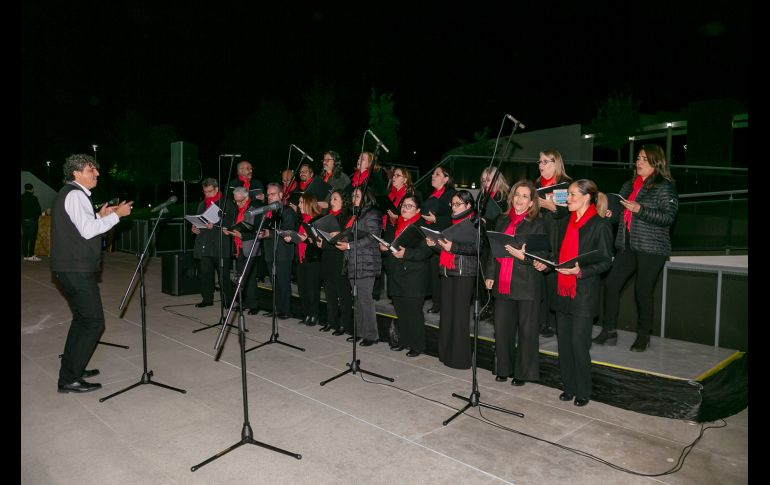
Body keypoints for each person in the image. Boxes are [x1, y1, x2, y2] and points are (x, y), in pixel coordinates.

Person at [50, 154, 133, 393]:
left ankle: (73, 369)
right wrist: (118, 215)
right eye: (90, 169)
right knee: (94, 322)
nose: (96, 173)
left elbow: (80, 225)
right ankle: (69, 379)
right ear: (76, 173)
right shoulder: (75, 194)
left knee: (82, 320)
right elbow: (87, 232)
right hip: (75, 269)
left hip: (69, 268)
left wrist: (100, 216)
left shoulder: (71, 194)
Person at [533, 179, 613, 407]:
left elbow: (606, 261)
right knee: (564, 344)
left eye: (572, 195)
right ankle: (568, 387)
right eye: (568, 195)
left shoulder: (600, 224)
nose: (567, 199)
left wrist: (582, 271)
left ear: (587, 197)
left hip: (583, 292)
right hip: (562, 290)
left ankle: (583, 390)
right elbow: (559, 256)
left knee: (579, 344)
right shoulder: (565, 222)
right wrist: (547, 265)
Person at [593, 144, 679, 352]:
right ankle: (609, 330)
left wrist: (641, 209)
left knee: (643, 291)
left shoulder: (664, 186)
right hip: (628, 245)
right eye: (638, 158)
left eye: (644, 159)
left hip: (652, 248)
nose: (639, 162)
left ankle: (643, 335)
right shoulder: (629, 185)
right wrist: (611, 215)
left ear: (655, 163)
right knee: (611, 284)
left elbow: (668, 217)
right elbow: (622, 212)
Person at [485, 180, 546, 386]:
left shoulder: (538, 223)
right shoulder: (502, 221)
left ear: (531, 203)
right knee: (502, 329)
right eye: (516, 194)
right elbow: (494, 251)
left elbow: (543, 256)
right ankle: (503, 368)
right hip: (503, 282)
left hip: (527, 284)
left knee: (527, 332)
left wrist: (524, 257)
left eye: (524, 196)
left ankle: (522, 373)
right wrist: (490, 274)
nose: (519, 199)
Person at [426, 189, 477, 369]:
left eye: (458, 204)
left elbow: (477, 248)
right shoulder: (451, 222)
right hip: (447, 271)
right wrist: (435, 244)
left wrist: (453, 246)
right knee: (447, 314)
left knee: (460, 316)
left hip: (464, 273)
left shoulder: (475, 223)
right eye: (452, 204)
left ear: (469, 205)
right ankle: (446, 354)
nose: (454, 208)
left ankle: (460, 359)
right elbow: (446, 249)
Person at [379, 195, 432, 357]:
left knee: (413, 312)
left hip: (414, 276)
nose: (404, 208)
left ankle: (417, 345)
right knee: (401, 311)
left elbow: (426, 251)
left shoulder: (422, 227)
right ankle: (404, 341)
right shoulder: (395, 225)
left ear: (417, 210)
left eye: (409, 206)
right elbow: (388, 244)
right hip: (397, 274)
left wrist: (406, 253)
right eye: (403, 205)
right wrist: (383, 247)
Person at [336, 187, 382, 346]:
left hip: (367, 261)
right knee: (356, 298)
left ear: (366, 197)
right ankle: (360, 332)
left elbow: (373, 238)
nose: (353, 198)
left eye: (357, 195)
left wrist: (349, 246)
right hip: (354, 260)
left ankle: (371, 335)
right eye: (353, 195)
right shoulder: (356, 214)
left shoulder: (372, 213)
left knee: (365, 299)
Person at [535, 149, 572, 338]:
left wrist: (549, 206)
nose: (541, 165)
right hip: (539, 236)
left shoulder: (565, 185)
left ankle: (554, 324)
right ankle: (542, 322)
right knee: (540, 282)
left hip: (559, 238)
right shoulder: (535, 185)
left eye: (545, 161)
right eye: (539, 161)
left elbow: (562, 212)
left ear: (556, 163)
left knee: (553, 282)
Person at [190, 178, 234, 309]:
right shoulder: (202, 204)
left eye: (209, 191)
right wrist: (194, 229)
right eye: (205, 192)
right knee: (205, 274)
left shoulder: (226, 203)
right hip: (204, 244)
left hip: (220, 244)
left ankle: (227, 301)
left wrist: (214, 225)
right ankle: (207, 298)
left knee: (223, 275)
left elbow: (230, 222)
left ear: (216, 189)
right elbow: (198, 220)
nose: (207, 194)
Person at [316, 189, 353, 335]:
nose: (332, 202)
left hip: (340, 259)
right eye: (331, 199)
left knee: (343, 294)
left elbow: (343, 241)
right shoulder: (327, 216)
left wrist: (324, 243)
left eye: (335, 199)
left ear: (343, 201)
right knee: (329, 292)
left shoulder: (347, 218)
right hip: (327, 258)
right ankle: (332, 321)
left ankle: (345, 324)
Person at [258, 183, 298, 319]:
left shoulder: (287, 211)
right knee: (273, 281)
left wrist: (269, 233)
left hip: (283, 252)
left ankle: (285, 310)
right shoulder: (268, 211)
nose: (269, 197)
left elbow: (288, 229)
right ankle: (276, 308)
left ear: (281, 195)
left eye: (273, 194)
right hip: (270, 251)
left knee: (283, 282)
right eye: (268, 194)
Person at [421, 166, 456, 314]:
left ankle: (441, 303)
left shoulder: (451, 195)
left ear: (446, 179)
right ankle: (436, 301)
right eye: (433, 173)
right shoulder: (432, 195)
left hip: (444, 237)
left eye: (437, 174)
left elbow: (453, 218)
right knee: (433, 271)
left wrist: (436, 219)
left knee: (440, 271)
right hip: (430, 235)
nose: (433, 176)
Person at [222, 187, 261, 314]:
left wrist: (241, 236)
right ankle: (243, 302)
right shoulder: (236, 210)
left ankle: (253, 305)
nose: (238, 204)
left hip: (251, 247)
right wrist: (229, 230)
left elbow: (257, 232)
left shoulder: (254, 209)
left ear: (247, 198)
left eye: (240, 201)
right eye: (236, 201)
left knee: (248, 277)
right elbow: (235, 225)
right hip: (239, 247)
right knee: (242, 276)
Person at [288, 193, 323, 326]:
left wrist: (306, 240)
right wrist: (292, 237)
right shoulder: (301, 219)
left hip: (313, 258)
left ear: (309, 204)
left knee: (312, 289)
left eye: (301, 202)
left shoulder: (318, 220)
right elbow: (300, 237)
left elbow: (319, 242)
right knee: (302, 288)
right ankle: (307, 314)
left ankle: (314, 315)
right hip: (301, 258)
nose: (299, 205)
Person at [21, 182, 42, 261]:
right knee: (32, 238)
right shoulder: (34, 198)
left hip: (23, 221)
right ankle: (31, 255)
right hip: (32, 221)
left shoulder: (21, 197)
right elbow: (38, 210)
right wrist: (35, 218)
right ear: (32, 189)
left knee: (25, 238)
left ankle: (25, 255)